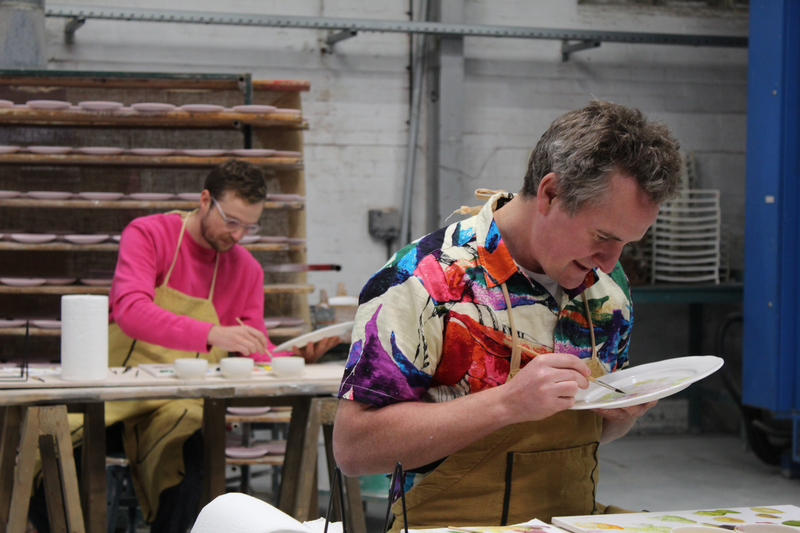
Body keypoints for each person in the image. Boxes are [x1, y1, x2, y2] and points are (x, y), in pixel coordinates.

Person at [332, 100, 683, 530]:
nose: (610, 262)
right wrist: (506, 404)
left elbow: (587, 438)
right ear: (551, 194)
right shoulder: (428, 278)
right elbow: (353, 450)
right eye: (603, 237)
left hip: (569, 520)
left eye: (627, 244)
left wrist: (619, 414)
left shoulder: (608, 292)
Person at [28, 159, 337, 533]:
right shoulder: (149, 234)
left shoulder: (247, 270)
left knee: (190, 474)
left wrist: (294, 355)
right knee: (55, 466)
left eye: (249, 226)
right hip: (109, 394)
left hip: (177, 402)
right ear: (204, 200)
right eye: (231, 221)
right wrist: (212, 333)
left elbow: (253, 347)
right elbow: (131, 310)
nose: (238, 235)